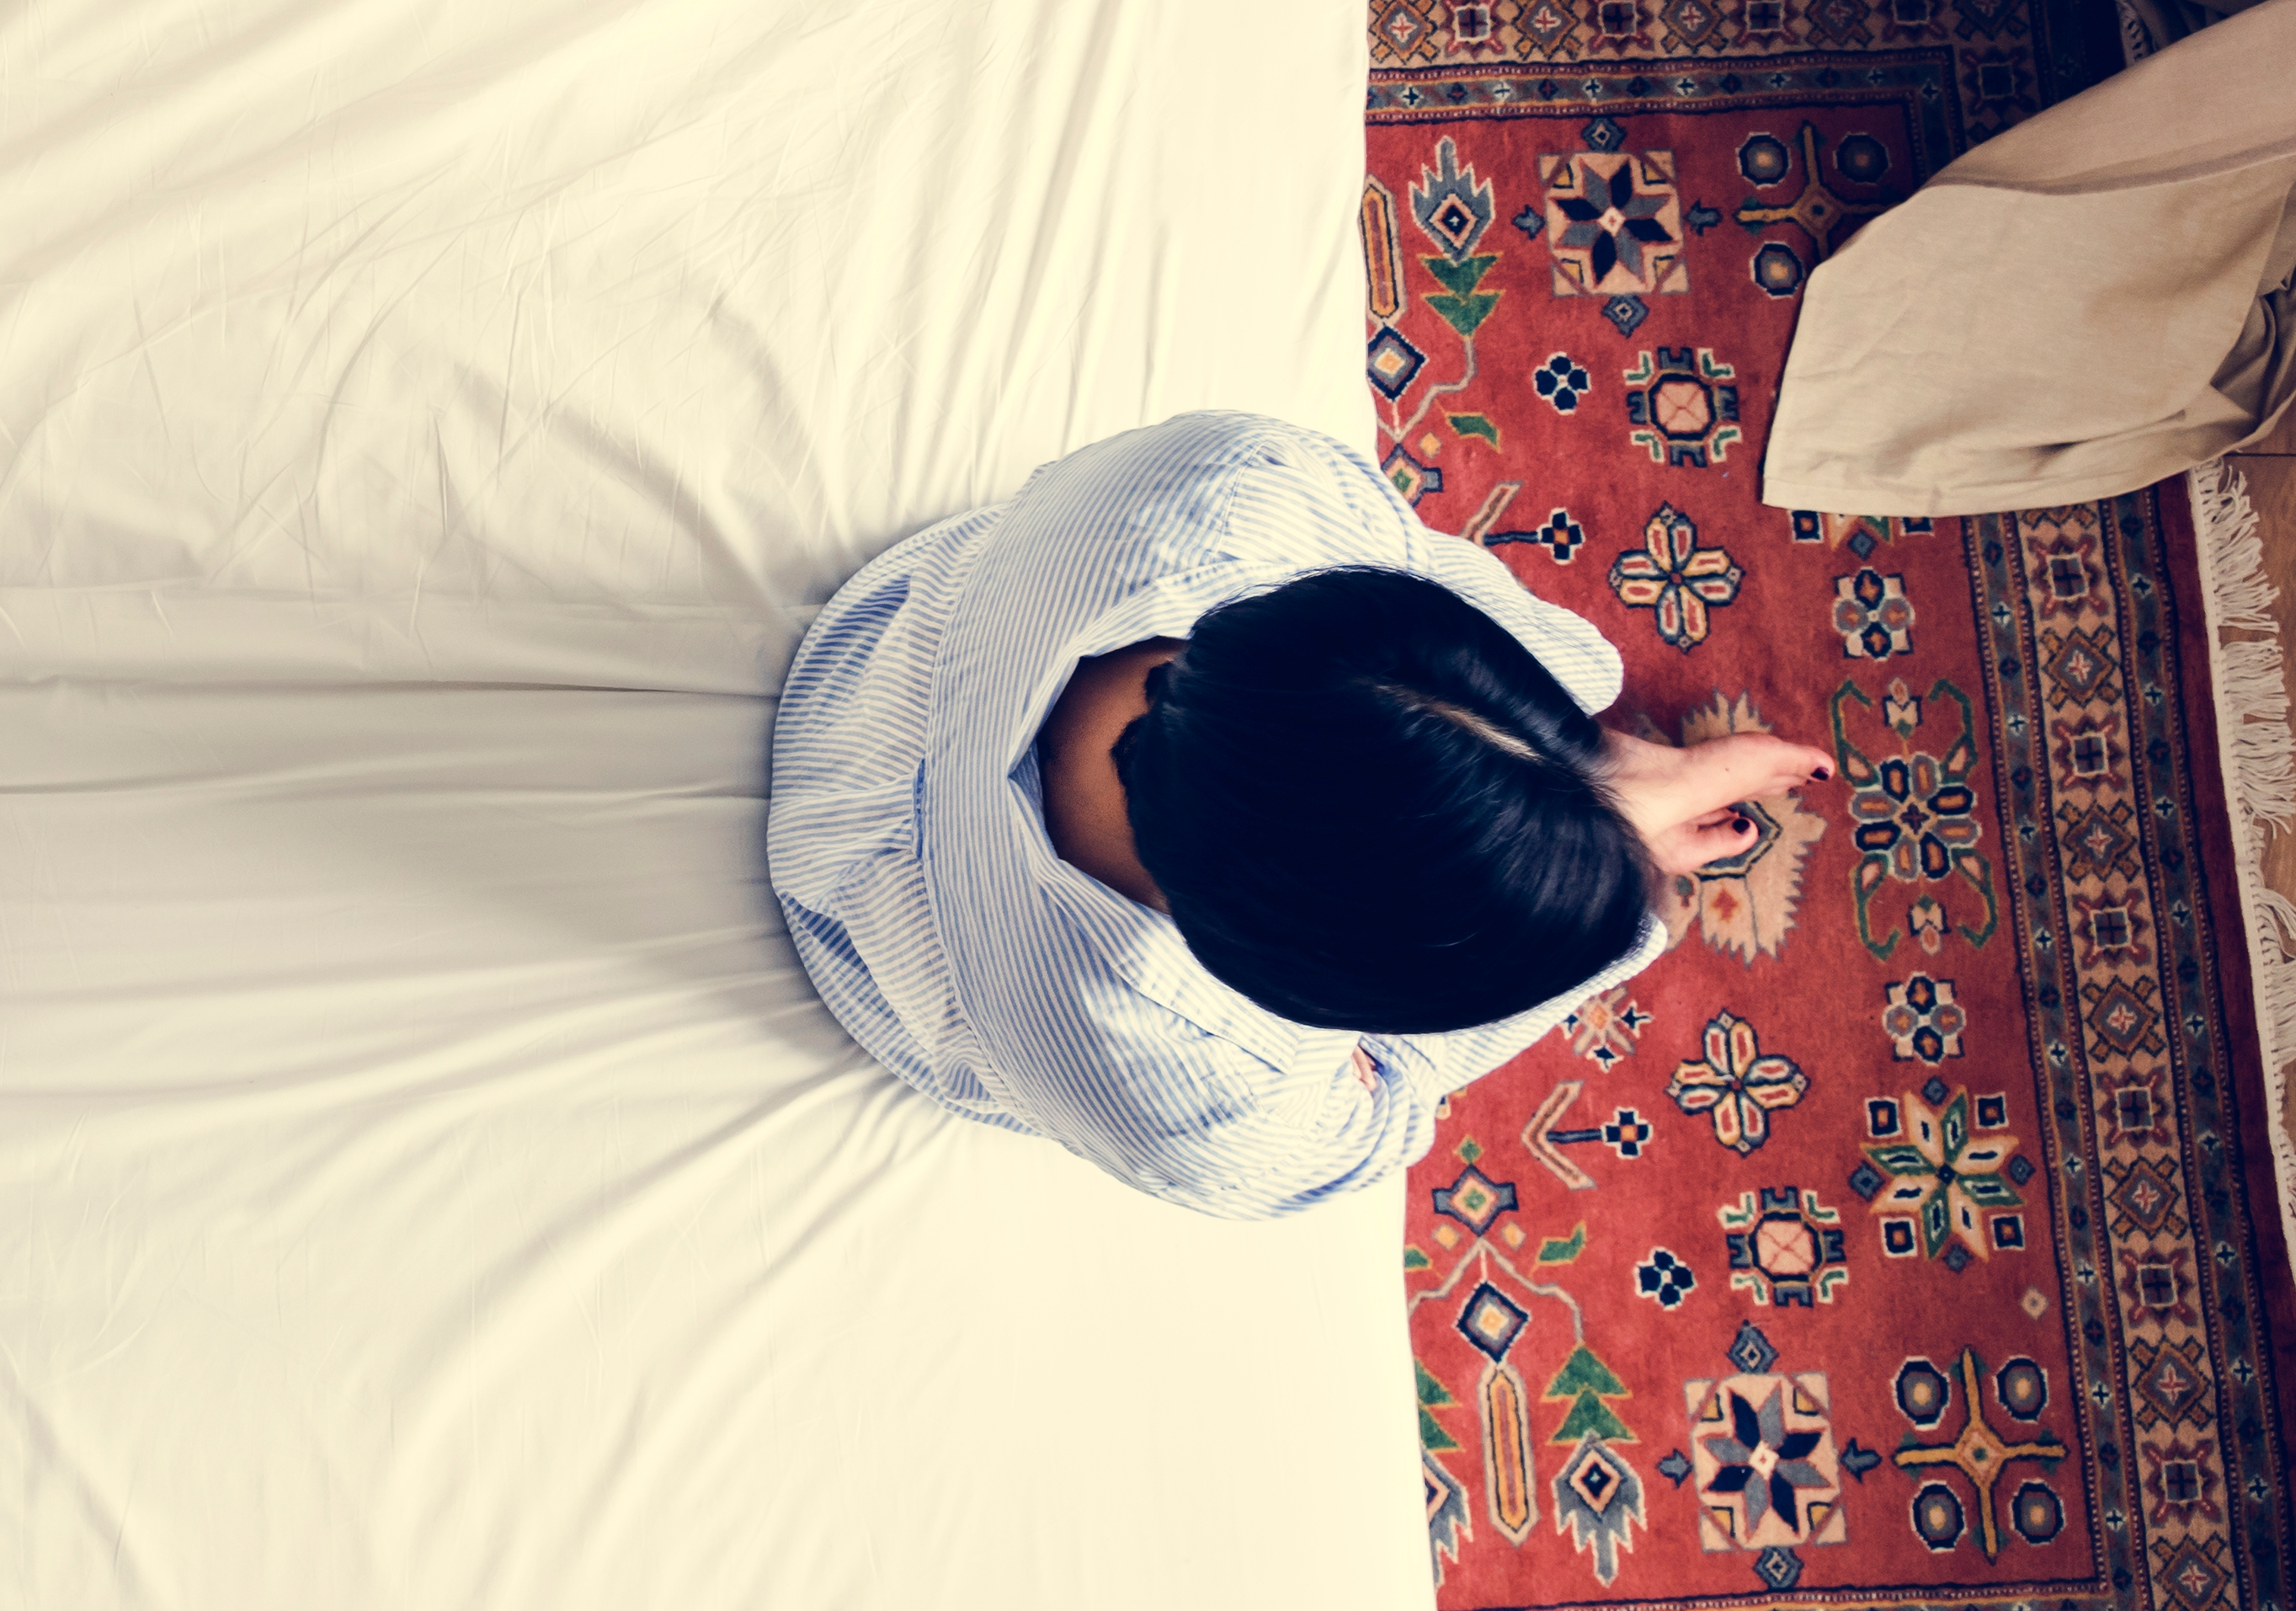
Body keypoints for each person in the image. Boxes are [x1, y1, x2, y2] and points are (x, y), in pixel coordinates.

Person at [766, 408, 1822, 1219]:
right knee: (1595, 777)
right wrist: (1604, 898)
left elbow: (1405, 591)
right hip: (894, 938)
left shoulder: (1232, 489)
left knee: (1572, 700)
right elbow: (1382, 1116)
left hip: (898, 654)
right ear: (1301, 991)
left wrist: (1575, 789)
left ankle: (1589, 792)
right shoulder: (1197, 1088)